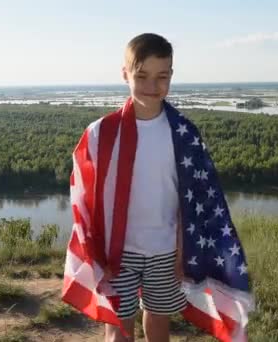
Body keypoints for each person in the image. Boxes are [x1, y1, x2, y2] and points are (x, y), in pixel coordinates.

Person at [62, 33, 254, 342]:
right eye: (142, 76)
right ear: (125, 74)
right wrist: (96, 251)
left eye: (161, 77)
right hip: (116, 253)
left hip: (165, 250)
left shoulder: (182, 134)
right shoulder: (100, 133)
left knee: (158, 322)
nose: (152, 87)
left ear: (171, 76)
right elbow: (86, 199)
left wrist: (183, 251)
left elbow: (190, 200)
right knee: (119, 329)